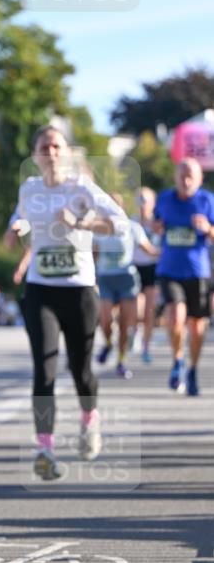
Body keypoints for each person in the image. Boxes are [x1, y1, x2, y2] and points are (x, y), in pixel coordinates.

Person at [5, 125, 129, 481]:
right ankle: (44, 448)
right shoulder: (29, 188)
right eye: (45, 146)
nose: (52, 152)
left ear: (67, 152)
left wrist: (82, 221)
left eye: (57, 145)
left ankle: (90, 419)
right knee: (43, 369)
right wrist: (17, 228)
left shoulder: (82, 187)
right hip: (41, 288)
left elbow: (120, 224)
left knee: (81, 370)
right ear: (36, 155)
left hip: (79, 289)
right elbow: (21, 216)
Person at [153, 158, 214, 396]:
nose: (186, 180)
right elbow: (156, 224)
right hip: (169, 269)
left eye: (191, 175)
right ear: (175, 177)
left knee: (197, 328)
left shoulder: (207, 201)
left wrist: (207, 229)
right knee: (176, 316)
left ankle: (193, 369)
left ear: (200, 179)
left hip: (197, 271)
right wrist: (157, 227)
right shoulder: (165, 199)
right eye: (182, 174)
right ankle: (178, 359)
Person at [94, 193, 159, 379]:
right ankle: (107, 343)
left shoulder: (132, 227)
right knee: (106, 321)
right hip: (106, 278)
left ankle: (121, 361)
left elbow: (149, 249)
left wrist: (169, 254)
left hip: (126, 279)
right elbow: (94, 254)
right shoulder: (99, 229)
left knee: (125, 324)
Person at [132, 187, 162, 363]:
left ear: (153, 203)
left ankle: (146, 345)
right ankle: (134, 331)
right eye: (139, 200)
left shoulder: (159, 223)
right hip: (135, 267)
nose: (142, 204)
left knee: (150, 310)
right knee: (137, 307)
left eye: (145, 200)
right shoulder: (133, 222)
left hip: (152, 268)